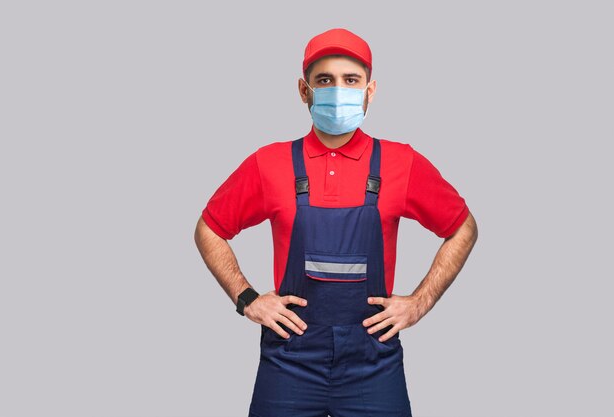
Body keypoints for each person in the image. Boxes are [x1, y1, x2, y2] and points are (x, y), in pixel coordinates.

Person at [194, 27, 478, 417]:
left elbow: (463, 227)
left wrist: (419, 303)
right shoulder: (269, 163)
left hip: (372, 364)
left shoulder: (402, 163)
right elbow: (209, 228)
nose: (337, 90)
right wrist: (247, 299)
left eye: (350, 80)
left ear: (370, 90)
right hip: (289, 361)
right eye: (324, 80)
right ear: (304, 90)